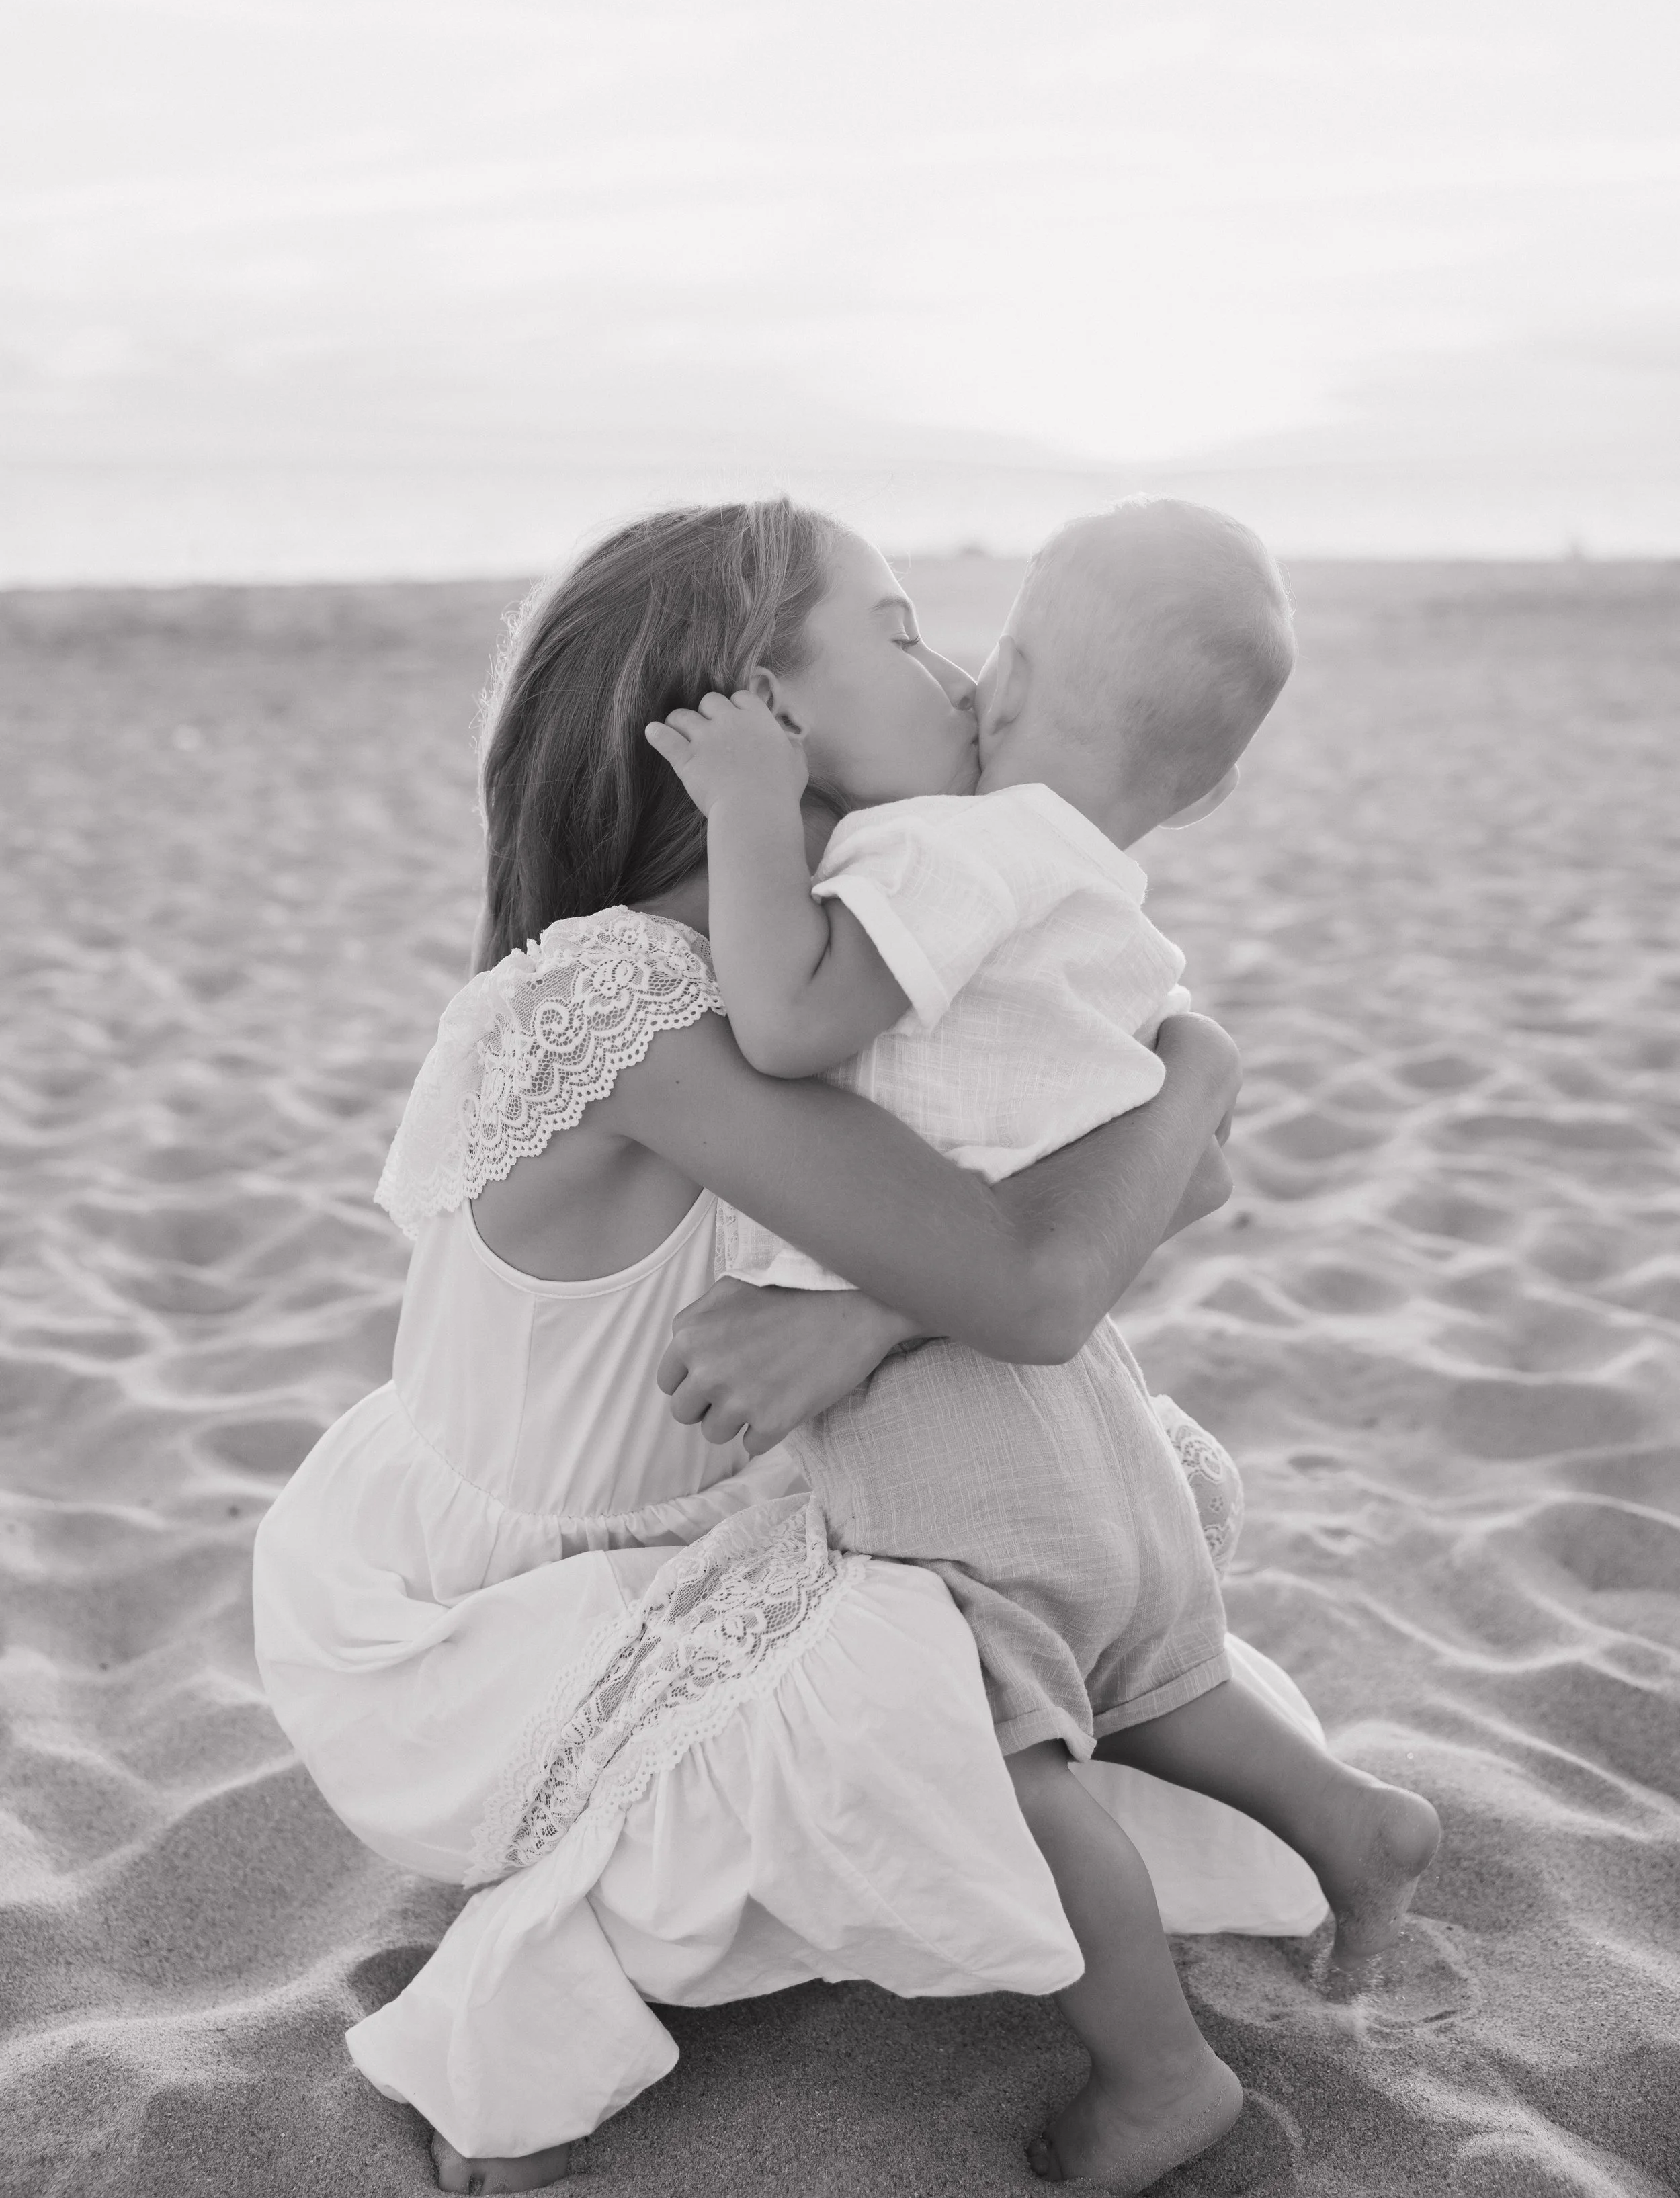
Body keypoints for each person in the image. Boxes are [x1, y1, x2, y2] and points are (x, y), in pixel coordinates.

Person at [251, 500, 1304, 2198]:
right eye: (897, 630)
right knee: (944, 1657)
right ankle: (586, 1940)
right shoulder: (639, 1006)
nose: (954, 671)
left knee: (1089, 1523)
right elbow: (1049, 1267)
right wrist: (1194, 1065)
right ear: (761, 704)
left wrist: (870, 1312)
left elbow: (1157, 1190)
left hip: (718, 1518)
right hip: (488, 1626)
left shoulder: (825, 951)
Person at [649, 500, 1442, 2186]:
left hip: (948, 1402)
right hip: (1083, 1389)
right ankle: (1347, 1818)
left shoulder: (956, 849)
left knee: (991, 1747)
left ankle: (1157, 2073)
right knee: (1150, 1668)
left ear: (1001, 678)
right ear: (1205, 790)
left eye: (955, 639)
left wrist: (745, 810)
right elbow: (1174, 1166)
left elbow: (784, 1021)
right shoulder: (1112, 910)